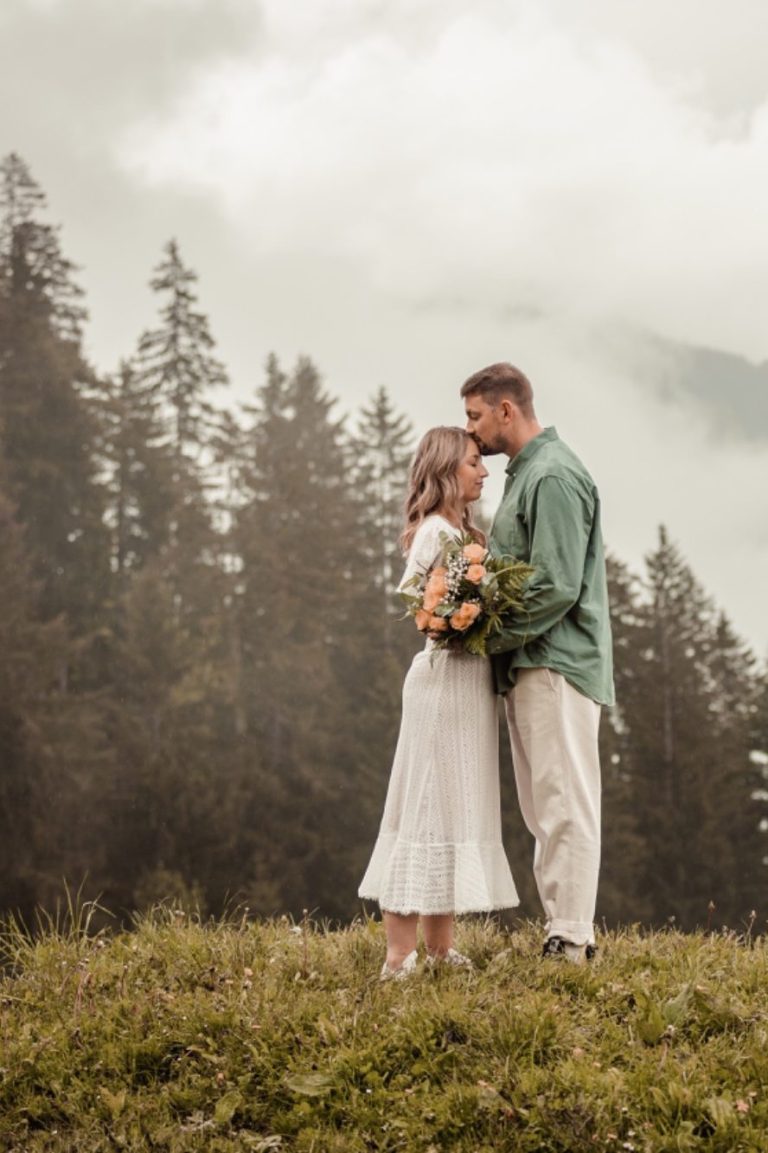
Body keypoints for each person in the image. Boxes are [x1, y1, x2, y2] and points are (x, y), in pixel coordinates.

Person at [461, 363, 614, 964]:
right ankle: (564, 930)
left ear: (507, 410)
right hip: (533, 665)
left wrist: (484, 636)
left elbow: (555, 586)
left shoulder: (551, 475)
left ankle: (572, 937)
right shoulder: (527, 474)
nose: (470, 432)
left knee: (564, 800)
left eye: (475, 416)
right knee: (543, 804)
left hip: (555, 664)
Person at [358, 426, 519, 979]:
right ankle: (399, 956)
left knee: (450, 804)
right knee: (424, 802)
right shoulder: (432, 533)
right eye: (475, 462)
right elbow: (414, 599)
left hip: (469, 682)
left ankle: (440, 948)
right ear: (448, 468)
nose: (484, 471)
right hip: (442, 676)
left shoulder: (465, 531)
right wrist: (449, 616)